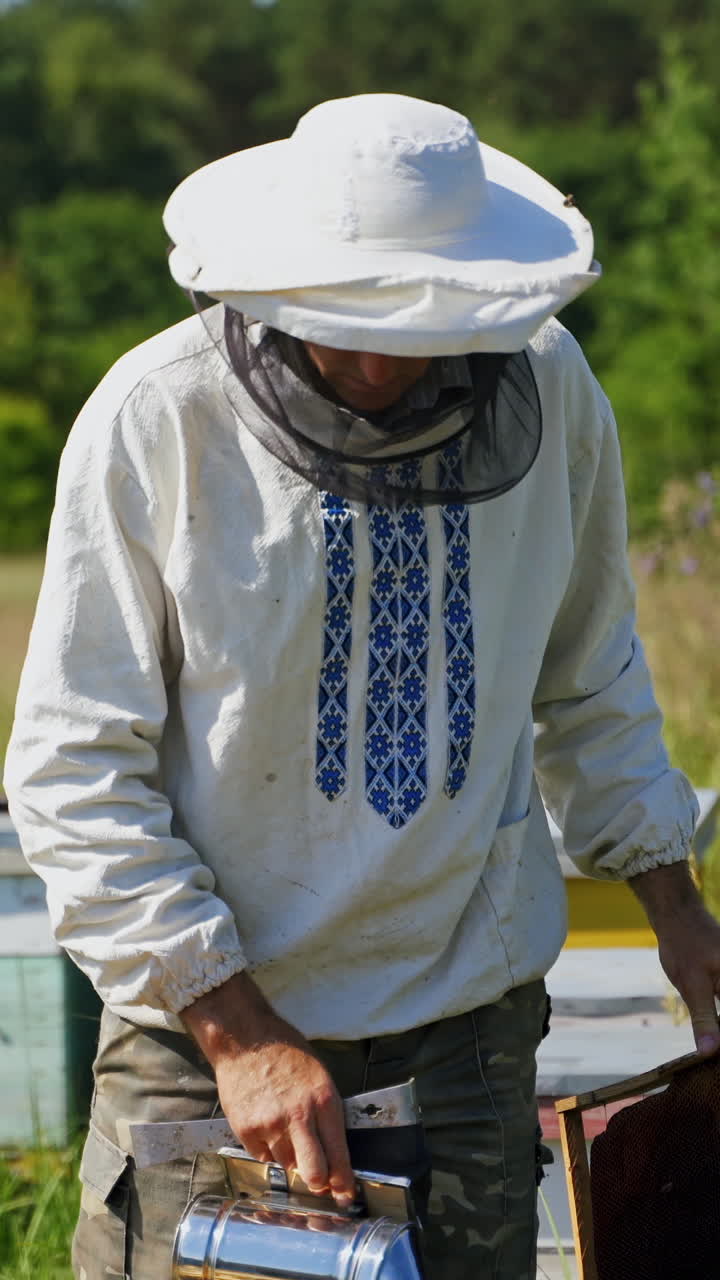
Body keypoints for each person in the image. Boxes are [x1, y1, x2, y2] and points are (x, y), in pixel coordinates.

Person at [5, 93, 720, 1280]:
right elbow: (75, 768)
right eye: (351, 321)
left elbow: (590, 670)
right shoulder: (157, 418)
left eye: (420, 323)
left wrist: (678, 911)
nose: (383, 360)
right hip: (203, 1035)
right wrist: (236, 1028)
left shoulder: (554, 393)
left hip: (466, 1035)